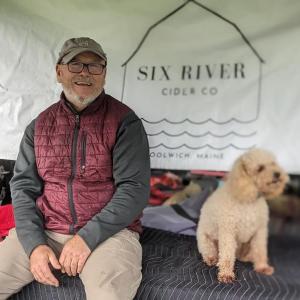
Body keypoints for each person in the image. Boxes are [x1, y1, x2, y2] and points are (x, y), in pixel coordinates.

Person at [0, 37, 150, 300]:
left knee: (109, 295)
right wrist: (34, 245)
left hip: (109, 233)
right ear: (60, 71)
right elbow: (22, 188)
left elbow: (134, 190)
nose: (85, 73)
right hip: (46, 228)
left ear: (104, 74)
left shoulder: (125, 122)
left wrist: (86, 238)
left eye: (95, 66)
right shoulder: (39, 126)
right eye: (76, 64)